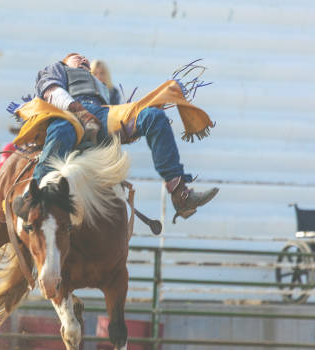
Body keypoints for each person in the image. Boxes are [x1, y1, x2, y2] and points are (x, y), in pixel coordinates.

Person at [13, 52, 218, 223]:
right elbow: (52, 92)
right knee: (62, 129)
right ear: (65, 62)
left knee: (153, 116)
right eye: (76, 56)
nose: (83, 58)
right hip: (68, 113)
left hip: (105, 114)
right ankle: (32, 196)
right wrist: (80, 110)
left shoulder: (101, 85)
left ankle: (180, 193)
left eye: (85, 58)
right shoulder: (56, 69)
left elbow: (116, 110)